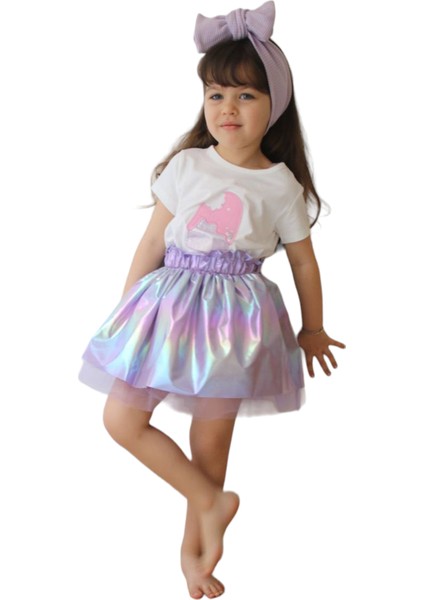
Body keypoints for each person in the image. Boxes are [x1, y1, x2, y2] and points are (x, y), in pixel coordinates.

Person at [79, 2, 345, 598]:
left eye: (246, 96)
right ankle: (210, 501)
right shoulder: (186, 165)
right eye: (216, 94)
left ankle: (195, 559)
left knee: (210, 445)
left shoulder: (280, 185)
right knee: (121, 419)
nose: (228, 108)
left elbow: (304, 262)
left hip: (233, 325)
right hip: (167, 310)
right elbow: (152, 242)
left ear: (276, 105)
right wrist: (125, 310)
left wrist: (313, 328)